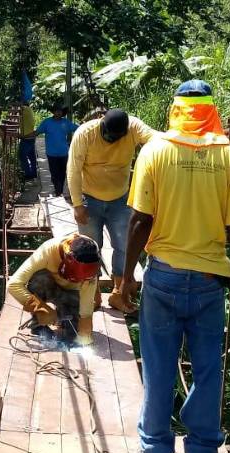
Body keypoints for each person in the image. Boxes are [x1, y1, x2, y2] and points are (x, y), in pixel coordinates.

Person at [120, 80, 230, 453]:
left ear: (175, 110)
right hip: (211, 279)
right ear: (212, 110)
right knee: (208, 367)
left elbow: (141, 219)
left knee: (159, 367)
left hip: (162, 277)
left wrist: (126, 277)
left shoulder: (154, 151)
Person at [67, 109, 156, 313]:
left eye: (117, 138)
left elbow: (156, 139)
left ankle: (118, 293)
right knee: (89, 249)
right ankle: (93, 295)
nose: (112, 140)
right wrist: (77, 204)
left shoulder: (133, 127)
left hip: (121, 199)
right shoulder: (85, 134)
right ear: (101, 125)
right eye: (108, 136)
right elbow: (73, 169)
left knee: (124, 245)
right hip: (89, 199)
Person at [7, 233, 100, 346]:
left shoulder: (91, 262)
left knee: (77, 336)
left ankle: (65, 319)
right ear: (68, 257)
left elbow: (86, 309)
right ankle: (39, 326)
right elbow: (13, 284)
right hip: (50, 287)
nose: (81, 280)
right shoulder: (48, 250)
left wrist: (85, 332)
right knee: (39, 279)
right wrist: (40, 308)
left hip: (72, 295)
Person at [28, 103, 79, 196]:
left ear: (62, 113)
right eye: (56, 111)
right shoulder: (47, 122)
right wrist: (23, 136)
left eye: (60, 111)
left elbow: (78, 128)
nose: (58, 113)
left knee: (62, 172)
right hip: (51, 153)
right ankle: (58, 189)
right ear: (53, 112)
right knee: (54, 172)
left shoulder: (66, 122)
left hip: (64, 153)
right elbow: (37, 132)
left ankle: (59, 190)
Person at [18, 101, 37, 180]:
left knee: (22, 155)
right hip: (30, 137)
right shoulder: (30, 111)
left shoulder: (25, 109)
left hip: (26, 138)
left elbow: (20, 107)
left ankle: (28, 174)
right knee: (31, 156)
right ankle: (33, 173)